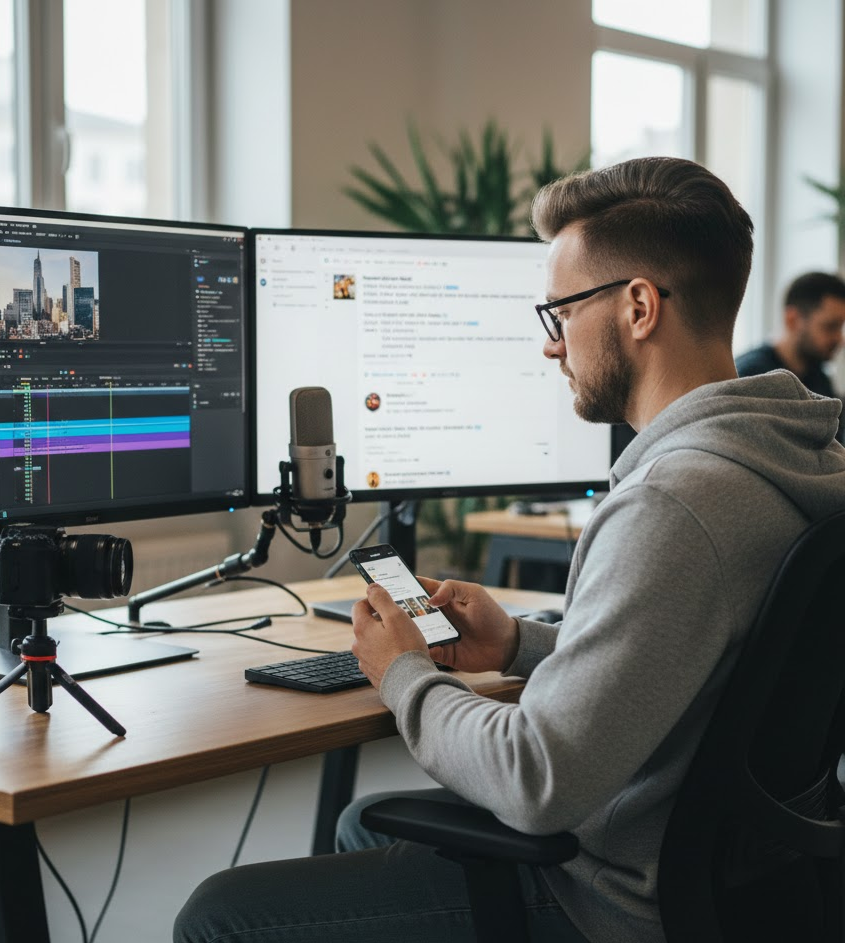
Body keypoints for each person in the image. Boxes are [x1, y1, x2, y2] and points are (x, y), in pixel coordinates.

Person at [174, 157, 845, 943]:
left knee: (218, 915)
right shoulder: (796, 460)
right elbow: (716, 657)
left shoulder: (673, 503)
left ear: (637, 307)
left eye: (558, 311)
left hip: (610, 905)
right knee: (366, 821)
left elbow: (537, 778)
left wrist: (404, 675)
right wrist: (522, 642)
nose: (552, 346)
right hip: (745, 891)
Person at [736, 270, 845, 440]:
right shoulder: (750, 376)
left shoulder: (819, 378)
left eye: (841, 327)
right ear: (792, 320)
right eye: (830, 326)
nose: (840, 339)